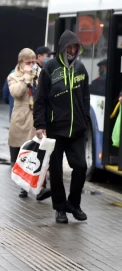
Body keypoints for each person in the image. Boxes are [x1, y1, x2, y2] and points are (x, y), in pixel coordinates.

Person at [34, 31, 90, 224]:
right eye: (69, 48)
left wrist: (86, 119)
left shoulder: (81, 69)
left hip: (77, 130)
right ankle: (60, 209)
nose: (72, 51)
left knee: (81, 167)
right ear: (62, 48)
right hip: (55, 129)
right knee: (56, 172)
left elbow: (85, 97)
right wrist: (40, 125)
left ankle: (74, 204)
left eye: (75, 47)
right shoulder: (49, 69)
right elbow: (39, 99)